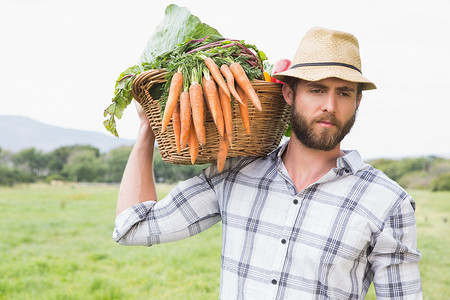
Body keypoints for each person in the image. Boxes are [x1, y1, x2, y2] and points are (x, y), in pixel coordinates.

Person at [113, 27, 422, 299]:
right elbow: (133, 227)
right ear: (289, 93)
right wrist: (146, 130)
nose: (330, 106)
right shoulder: (235, 172)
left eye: (343, 93)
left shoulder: (387, 202)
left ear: (357, 101)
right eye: (317, 90)